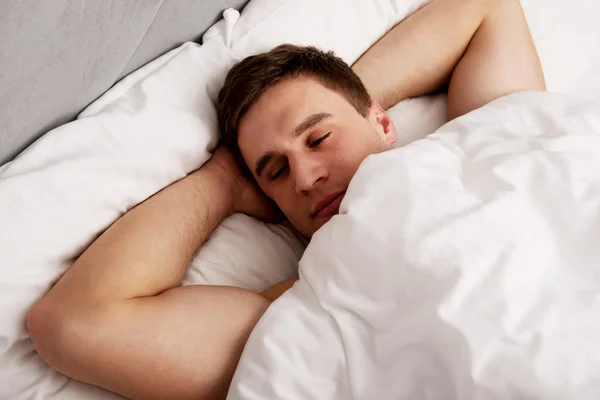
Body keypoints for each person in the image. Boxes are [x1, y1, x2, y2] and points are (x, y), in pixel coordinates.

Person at [26, 0, 545, 398]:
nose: (303, 176)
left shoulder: (485, 152)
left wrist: (346, 105)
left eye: (319, 139)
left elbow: (484, 9)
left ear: (383, 120)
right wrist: (224, 181)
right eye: (274, 171)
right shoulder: (308, 305)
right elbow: (74, 322)